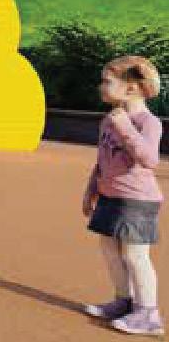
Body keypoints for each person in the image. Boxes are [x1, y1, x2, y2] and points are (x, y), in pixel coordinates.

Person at [81, 55, 163, 335]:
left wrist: (125, 127)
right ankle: (123, 301)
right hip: (109, 195)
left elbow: (149, 159)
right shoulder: (108, 120)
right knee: (109, 249)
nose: (101, 87)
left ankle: (148, 314)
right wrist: (91, 189)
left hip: (136, 200)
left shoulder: (148, 122)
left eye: (107, 81)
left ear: (131, 88)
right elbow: (103, 159)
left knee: (135, 255)